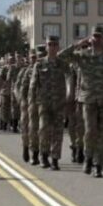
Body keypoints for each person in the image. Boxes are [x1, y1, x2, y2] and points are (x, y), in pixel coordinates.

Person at [59, 26, 103, 178]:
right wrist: (78, 44)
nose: (96, 39)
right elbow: (61, 57)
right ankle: (88, 158)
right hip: (88, 100)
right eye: (94, 36)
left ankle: (98, 165)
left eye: (99, 36)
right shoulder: (83, 55)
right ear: (90, 38)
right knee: (90, 131)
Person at [30, 36, 69, 170]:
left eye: (55, 44)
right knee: (44, 130)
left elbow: (70, 79)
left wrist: (69, 96)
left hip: (59, 103)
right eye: (50, 44)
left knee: (58, 132)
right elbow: (33, 85)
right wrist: (32, 103)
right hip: (44, 103)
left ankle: (55, 159)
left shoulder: (62, 64)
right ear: (46, 47)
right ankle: (44, 156)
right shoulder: (39, 64)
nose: (52, 47)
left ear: (58, 47)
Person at [15, 49, 37, 162]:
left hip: (39, 103)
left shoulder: (43, 69)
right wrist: (20, 100)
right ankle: (25, 147)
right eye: (32, 57)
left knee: (37, 128)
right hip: (26, 103)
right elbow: (17, 87)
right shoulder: (24, 71)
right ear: (29, 58)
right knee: (25, 127)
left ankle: (36, 152)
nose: (34, 60)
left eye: (36, 57)